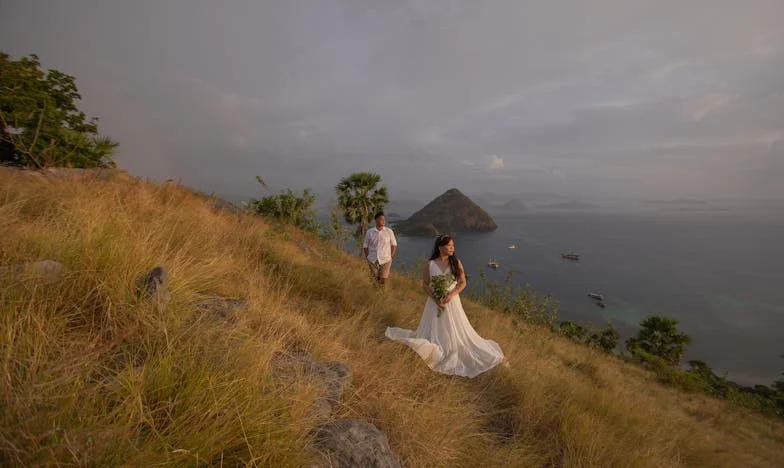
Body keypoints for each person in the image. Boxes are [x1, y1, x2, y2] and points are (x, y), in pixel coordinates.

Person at [385, 234, 505, 377]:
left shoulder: (456, 263)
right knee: (434, 327)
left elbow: (463, 283)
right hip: (434, 302)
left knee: (455, 328)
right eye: (449, 246)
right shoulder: (430, 264)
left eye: (453, 246)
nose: (452, 248)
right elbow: (424, 283)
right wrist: (434, 298)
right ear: (440, 247)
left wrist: (451, 294)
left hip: (452, 301)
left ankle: (452, 347)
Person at [363, 212, 397, 288]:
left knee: (383, 279)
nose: (383, 221)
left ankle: (382, 294)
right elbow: (365, 246)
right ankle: (375, 294)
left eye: (384, 219)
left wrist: (391, 257)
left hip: (386, 259)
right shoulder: (370, 232)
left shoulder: (389, 231)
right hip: (372, 259)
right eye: (381, 219)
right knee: (375, 279)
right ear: (376, 220)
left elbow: (394, 244)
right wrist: (368, 257)